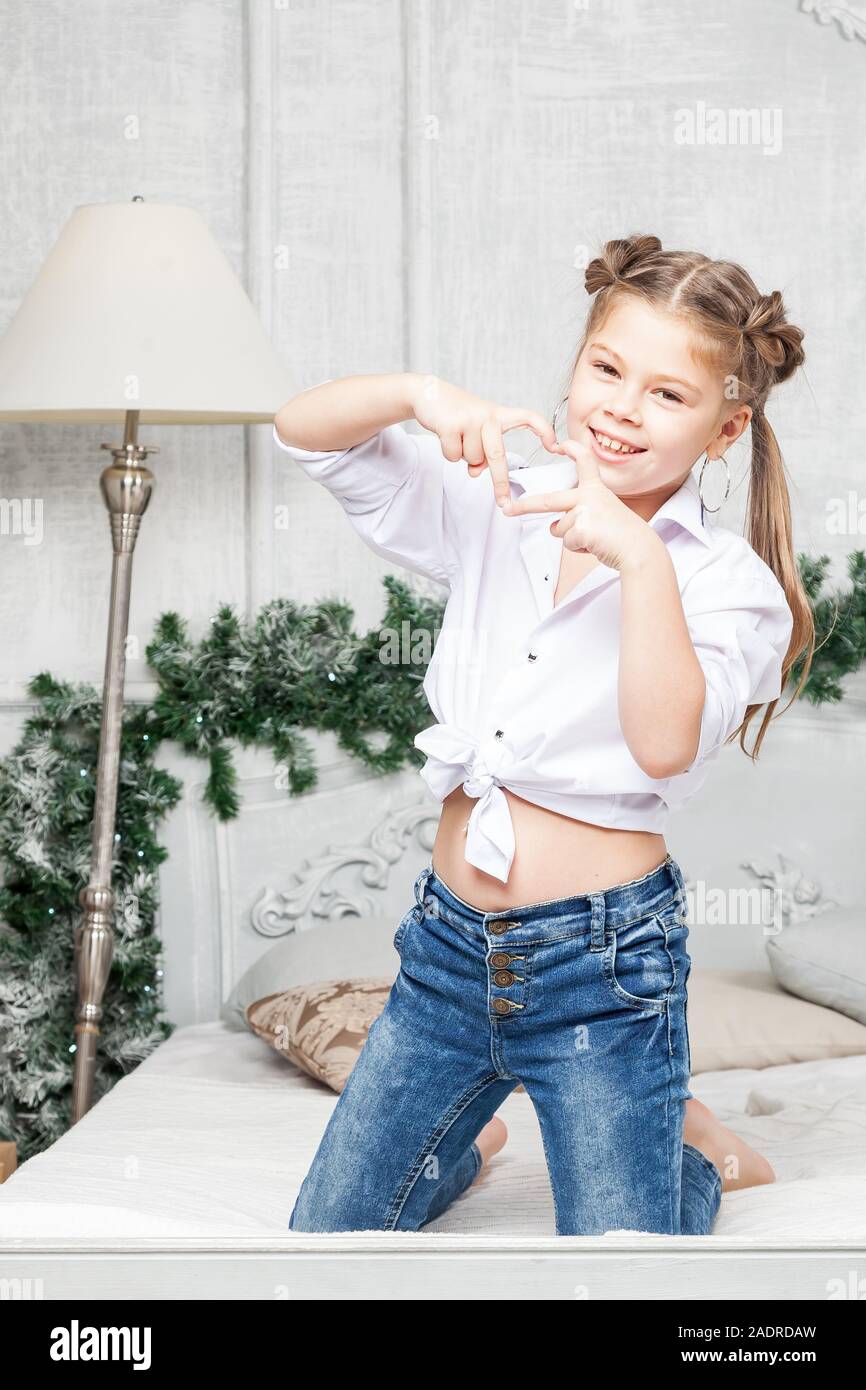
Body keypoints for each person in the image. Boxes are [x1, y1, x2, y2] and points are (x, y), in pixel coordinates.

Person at [274, 233, 814, 1236]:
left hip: (598, 964)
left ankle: (680, 1156)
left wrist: (638, 562)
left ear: (723, 428)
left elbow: (662, 744)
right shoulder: (499, 503)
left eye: (667, 393)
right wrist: (418, 395)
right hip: (444, 950)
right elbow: (305, 433)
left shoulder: (724, 585)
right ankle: (467, 1140)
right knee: (330, 1240)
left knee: (618, 1259)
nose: (619, 405)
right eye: (606, 368)